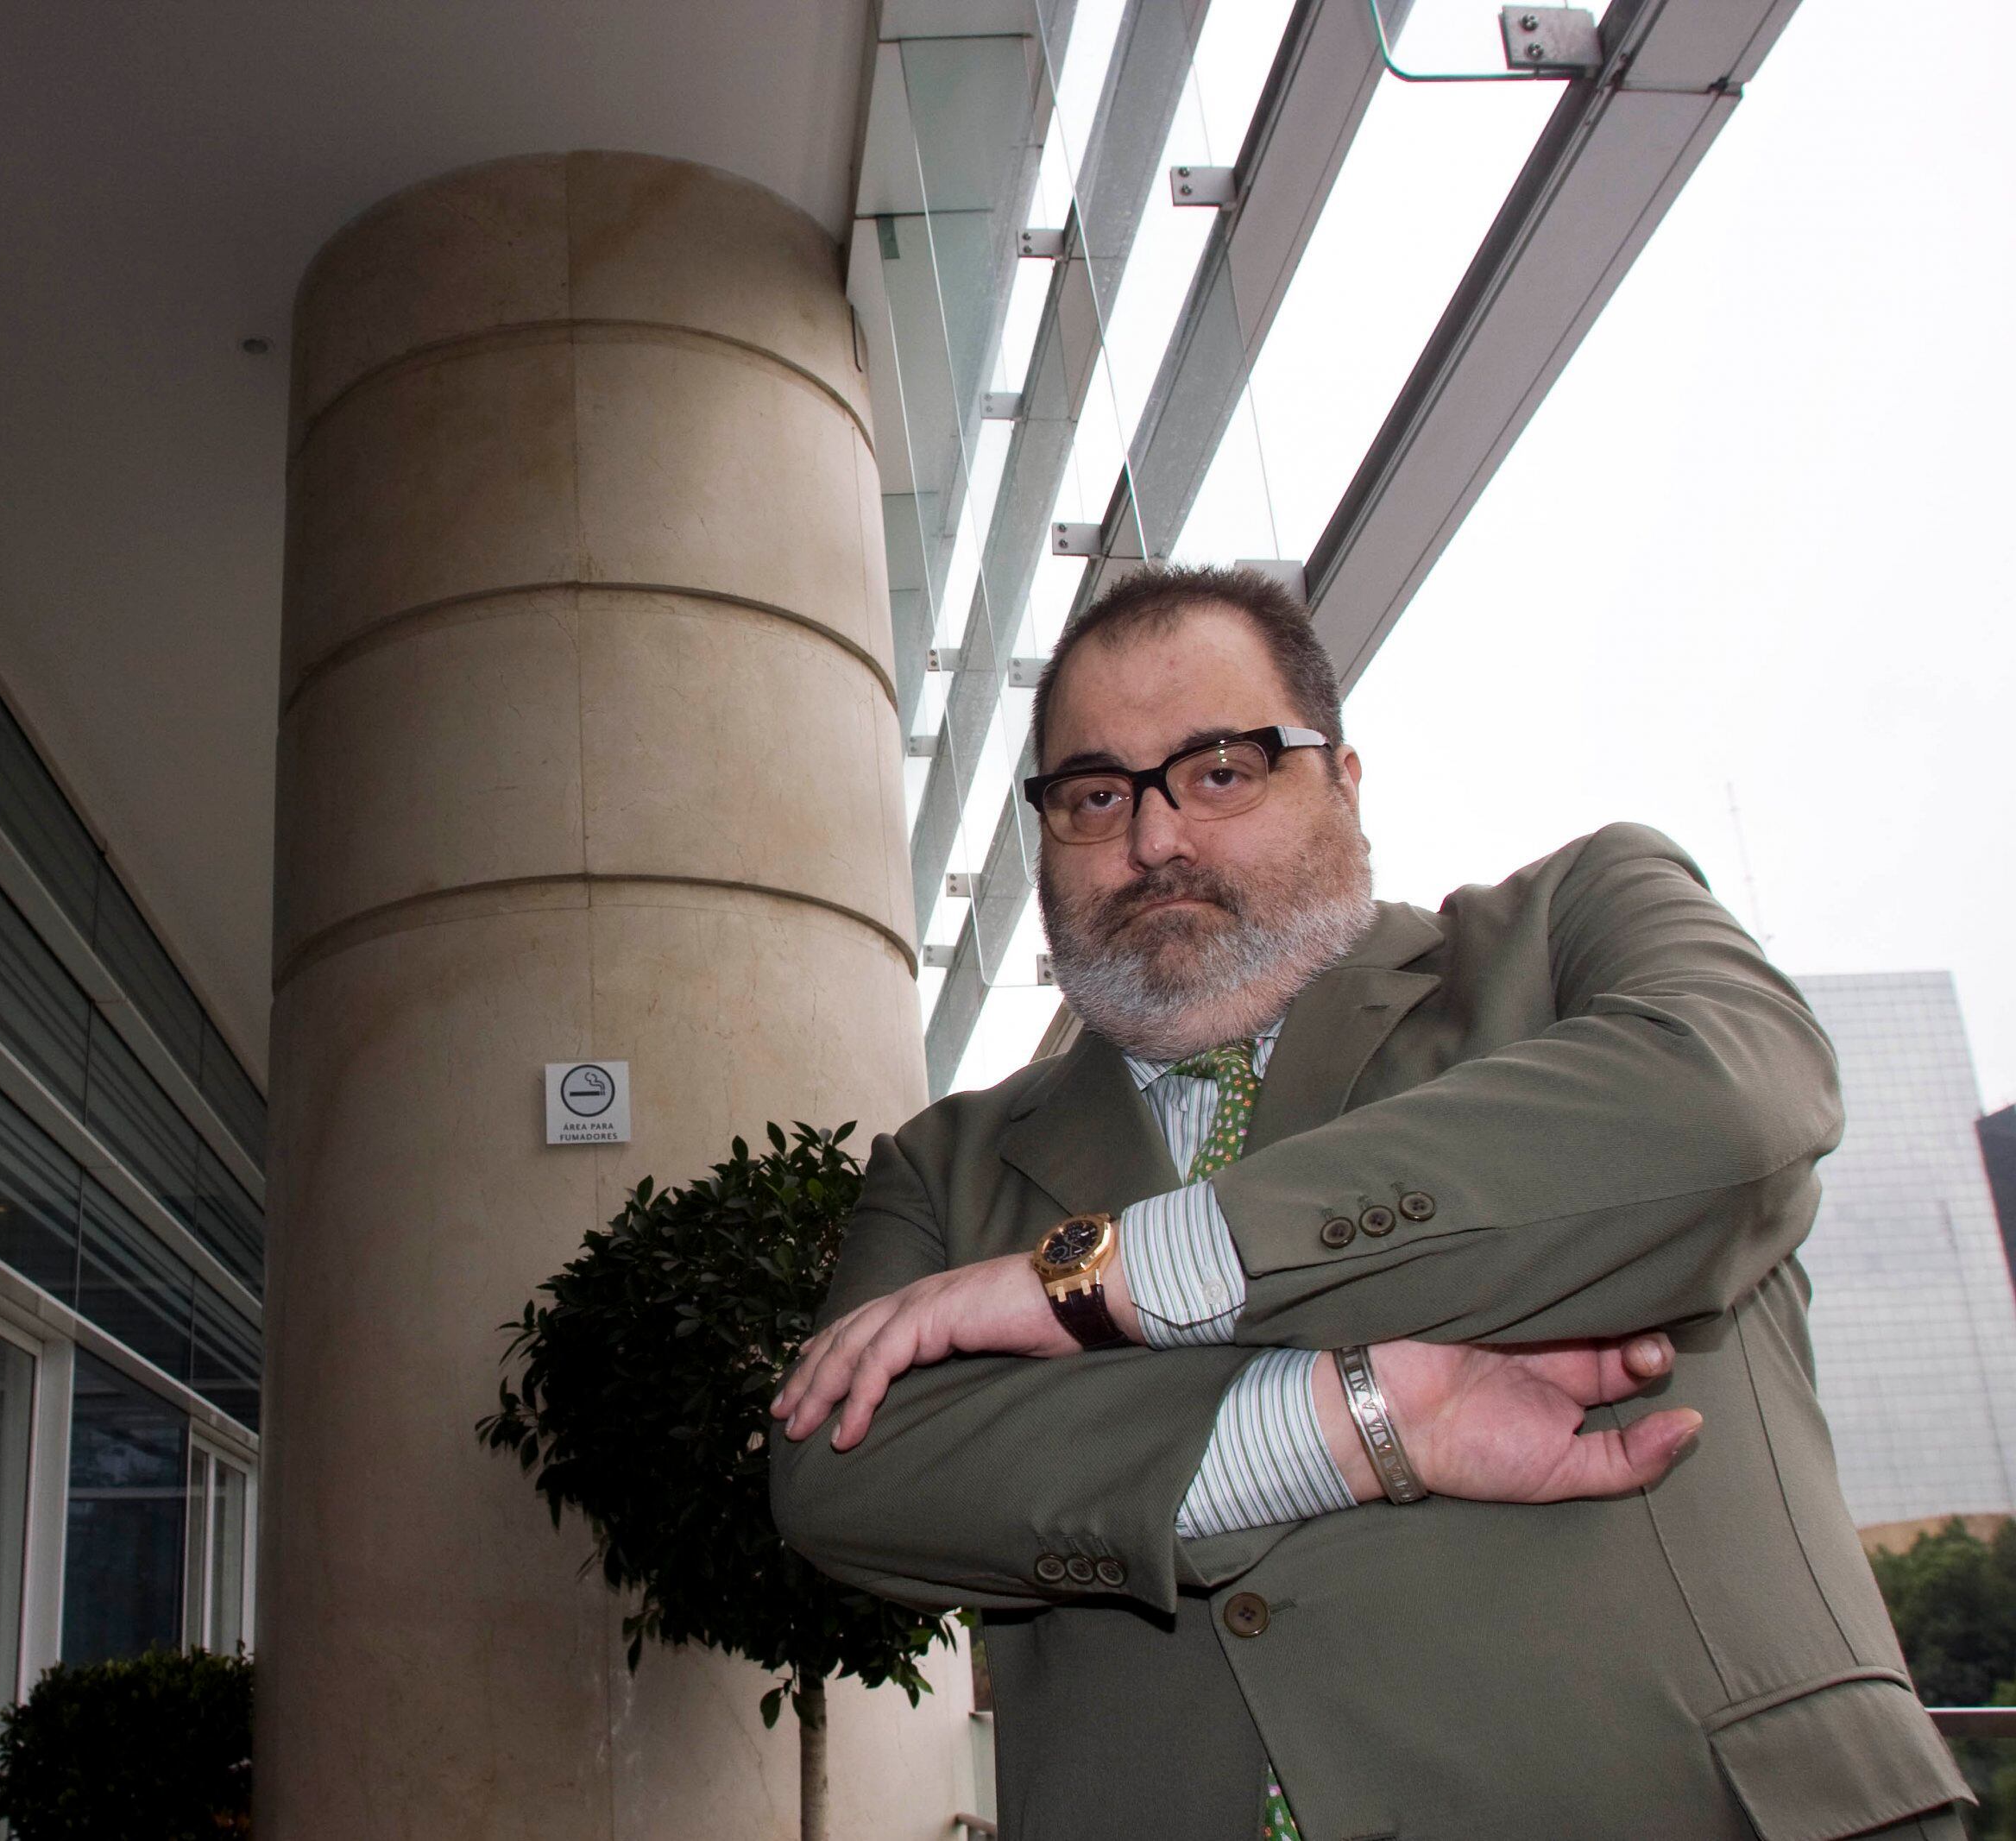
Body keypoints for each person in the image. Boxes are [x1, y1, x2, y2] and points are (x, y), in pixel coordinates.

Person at [767, 564, 1970, 1840]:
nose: (1155, 837)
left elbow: (1734, 1108)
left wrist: (1130, 1272)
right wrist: (1342, 1421)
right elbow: (840, 1470)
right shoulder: (942, 1164)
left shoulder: (1572, 934)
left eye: (1221, 767)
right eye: (1095, 793)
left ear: (1341, 780)